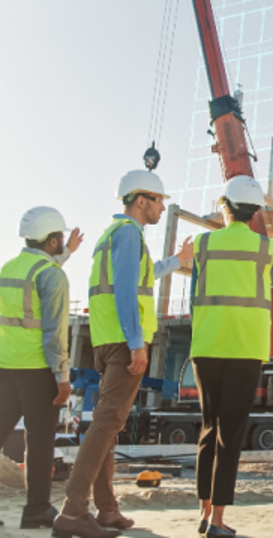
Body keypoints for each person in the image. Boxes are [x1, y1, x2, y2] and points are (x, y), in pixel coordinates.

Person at [54, 170, 193, 538]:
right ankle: (72, 511)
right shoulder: (130, 233)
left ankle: (107, 508)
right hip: (123, 341)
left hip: (105, 340)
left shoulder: (111, 235)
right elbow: (127, 292)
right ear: (140, 200)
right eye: (159, 200)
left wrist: (177, 260)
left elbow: (141, 278)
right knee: (105, 425)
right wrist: (136, 343)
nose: (163, 207)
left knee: (107, 426)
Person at [191, 176, 273, 537]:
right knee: (231, 432)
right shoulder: (266, 248)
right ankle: (218, 522)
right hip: (245, 349)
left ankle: (203, 513)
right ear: (256, 211)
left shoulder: (203, 243)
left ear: (224, 206)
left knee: (208, 430)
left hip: (208, 346)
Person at [0, 207, 82, 529]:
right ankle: (36, 509)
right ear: (51, 240)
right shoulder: (53, 276)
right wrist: (62, 378)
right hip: (37, 370)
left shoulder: (9, 268)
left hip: (5, 367)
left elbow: (37, 280)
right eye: (59, 239)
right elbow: (54, 335)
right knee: (40, 440)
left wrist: (67, 254)